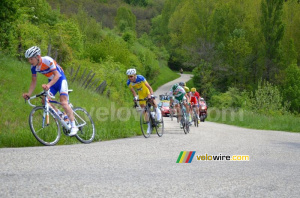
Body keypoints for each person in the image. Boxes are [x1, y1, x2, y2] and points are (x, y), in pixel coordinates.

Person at [22, 46, 78, 136]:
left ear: (38, 57)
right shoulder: (33, 67)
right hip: (52, 82)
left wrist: (48, 85)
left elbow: (57, 75)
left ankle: (74, 126)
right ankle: (61, 114)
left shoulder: (47, 60)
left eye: (31, 59)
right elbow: (33, 81)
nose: (30, 61)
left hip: (60, 80)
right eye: (29, 59)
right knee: (44, 100)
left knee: (63, 102)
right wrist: (29, 94)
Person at [126, 68, 161, 134]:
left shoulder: (141, 78)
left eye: (131, 76)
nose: (130, 78)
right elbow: (133, 92)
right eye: (128, 76)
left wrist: (152, 94)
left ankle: (158, 111)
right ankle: (149, 126)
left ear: (134, 75)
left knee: (151, 101)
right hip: (141, 94)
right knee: (144, 111)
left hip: (146, 92)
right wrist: (136, 97)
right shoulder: (129, 82)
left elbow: (149, 87)